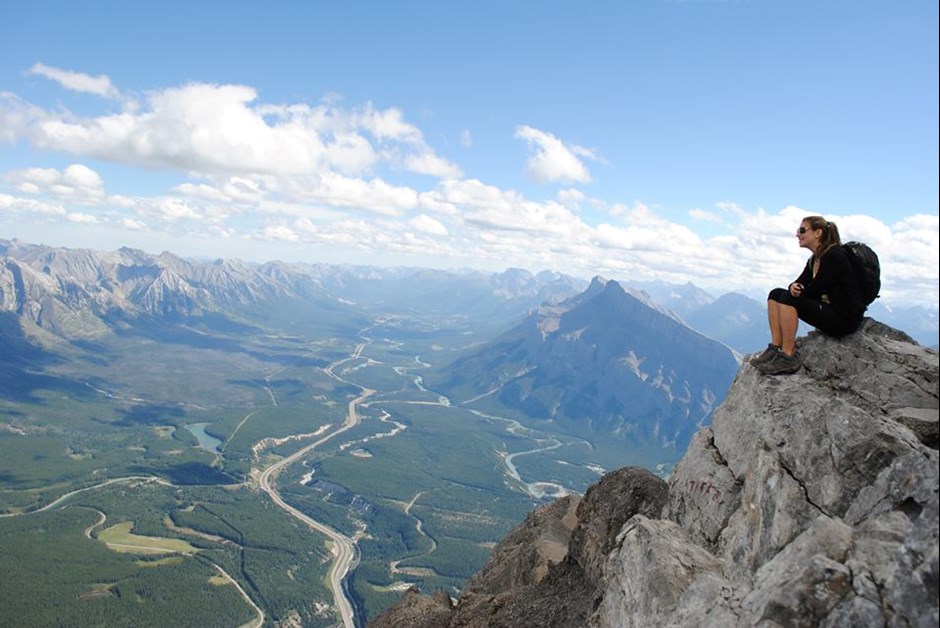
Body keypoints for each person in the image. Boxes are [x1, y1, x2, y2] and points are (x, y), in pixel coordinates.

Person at [751, 215, 865, 375]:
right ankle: (775, 348)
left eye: (802, 230)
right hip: (829, 311)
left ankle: (788, 356)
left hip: (844, 320)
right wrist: (794, 286)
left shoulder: (834, 256)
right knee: (775, 294)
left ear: (817, 233)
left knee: (788, 298)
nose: (798, 234)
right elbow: (800, 282)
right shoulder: (815, 259)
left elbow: (815, 290)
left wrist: (796, 291)